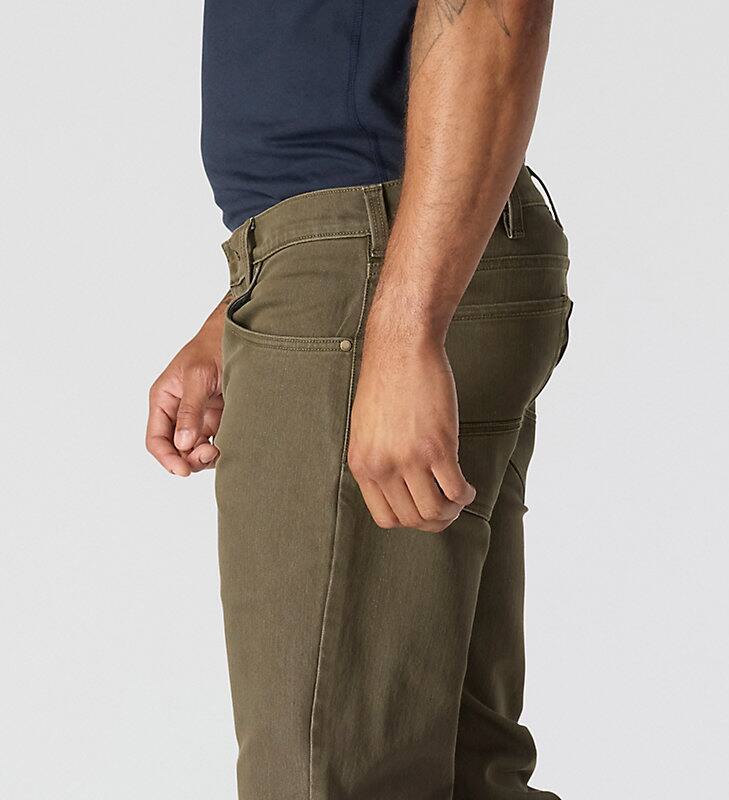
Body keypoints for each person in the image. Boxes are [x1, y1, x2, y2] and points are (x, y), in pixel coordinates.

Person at [146, 1, 570, 797]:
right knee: (464, 776)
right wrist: (252, 294)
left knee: (331, 779)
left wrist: (403, 326)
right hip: (355, 260)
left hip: (372, 267)